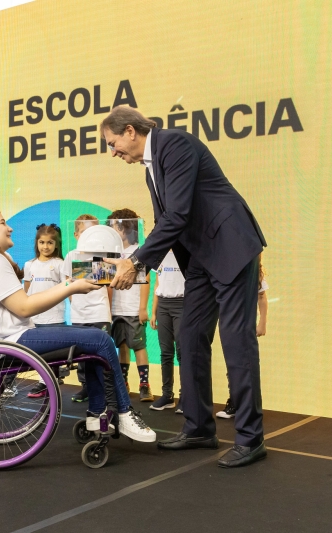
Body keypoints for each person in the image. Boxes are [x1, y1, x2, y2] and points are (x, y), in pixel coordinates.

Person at [101, 106, 268, 468]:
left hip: (231, 248)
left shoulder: (174, 144)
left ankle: (251, 438)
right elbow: (165, 221)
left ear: (130, 131)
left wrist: (137, 262)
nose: (112, 152)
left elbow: (177, 215)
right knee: (189, 337)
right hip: (201, 260)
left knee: (237, 339)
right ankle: (198, 428)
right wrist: (135, 263)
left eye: (113, 143)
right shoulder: (151, 165)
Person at [0, 207, 155, 442]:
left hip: (13, 337)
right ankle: (124, 412)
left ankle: (96, 414)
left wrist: (73, 283)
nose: (10, 228)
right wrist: (71, 287)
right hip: (15, 340)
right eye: (3, 223)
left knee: (92, 341)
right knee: (101, 339)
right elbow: (24, 307)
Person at [63, 215, 114, 404]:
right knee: (82, 354)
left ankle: (108, 389)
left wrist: (107, 311)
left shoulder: (104, 256)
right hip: (79, 314)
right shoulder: (71, 256)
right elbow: (68, 285)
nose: (90, 237)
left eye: (94, 232)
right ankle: (86, 387)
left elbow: (109, 287)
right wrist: (75, 306)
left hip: (100, 313)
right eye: (85, 232)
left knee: (103, 352)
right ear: (76, 235)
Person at [107, 209, 153, 402]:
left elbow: (146, 279)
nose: (110, 232)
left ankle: (144, 385)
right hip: (117, 309)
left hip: (134, 308)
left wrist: (143, 308)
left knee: (139, 346)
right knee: (122, 346)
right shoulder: (112, 252)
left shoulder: (138, 251)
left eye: (113, 228)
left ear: (124, 228)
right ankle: (124, 382)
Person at [217, 255, 268, 419]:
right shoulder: (229, 270)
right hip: (230, 322)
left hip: (246, 323)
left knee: (245, 364)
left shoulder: (257, 274)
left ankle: (246, 405)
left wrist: (262, 323)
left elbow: (262, 298)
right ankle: (234, 401)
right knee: (231, 365)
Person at [24, 223, 66, 398]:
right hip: (35, 316)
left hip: (54, 316)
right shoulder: (29, 264)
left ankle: (47, 381)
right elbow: (26, 290)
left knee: (53, 350)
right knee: (38, 352)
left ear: (56, 244)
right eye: (42, 242)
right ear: (36, 243)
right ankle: (48, 378)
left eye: (50, 243)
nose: (45, 246)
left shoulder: (60, 264)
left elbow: (66, 288)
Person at [149, 250, 185, 411]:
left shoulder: (185, 252)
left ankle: (185, 396)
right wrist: (154, 311)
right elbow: (157, 284)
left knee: (182, 352)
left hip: (182, 304)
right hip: (163, 304)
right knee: (166, 352)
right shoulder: (160, 254)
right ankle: (167, 395)